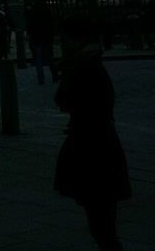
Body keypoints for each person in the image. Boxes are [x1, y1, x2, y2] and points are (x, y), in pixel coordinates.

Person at [54, 18, 131, 251]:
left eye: (64, 40)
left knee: (103, 231)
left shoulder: (85, 69)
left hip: (96, 155)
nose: (62, 45)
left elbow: (64, 99)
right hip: (96, 149)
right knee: (102, 229)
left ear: (77, 40)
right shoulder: (86, 65)